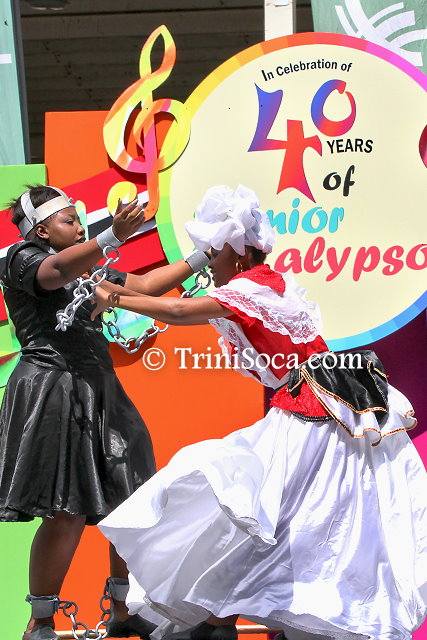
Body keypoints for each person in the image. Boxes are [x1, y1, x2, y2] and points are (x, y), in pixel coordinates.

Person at [93, 184, 427, 640]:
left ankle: (223, 621)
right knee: (279, 515)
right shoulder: (263, 282)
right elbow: (151, 290)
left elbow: (175, 309)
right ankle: (227, 619)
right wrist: (100, 271)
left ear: (235, 252)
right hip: (324, 409)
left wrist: (112, 298)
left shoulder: (251, 290)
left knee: (259, 509)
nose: (208, 262)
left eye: (213, 253)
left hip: (315, 413)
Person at [0, 184, 211, 640]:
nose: (79, 227)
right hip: (54, 389)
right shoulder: (21, 259)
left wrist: (205, 256)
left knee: (132, 501)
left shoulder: (87, 267)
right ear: (41, 230)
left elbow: (146, 286)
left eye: (80, 220)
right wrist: (110, 236)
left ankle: (122, 610)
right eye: (69, 220)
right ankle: (41, 620)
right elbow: (54, 272)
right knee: (66, 511)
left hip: (101, 389)